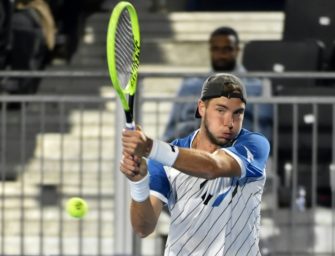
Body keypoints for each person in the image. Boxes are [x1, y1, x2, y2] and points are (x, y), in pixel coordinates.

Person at [121, 73, 270, 255]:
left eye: (238, 113)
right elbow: (143, 227)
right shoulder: (166, 159)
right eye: (221, 110)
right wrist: (139, 182)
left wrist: (150, 147)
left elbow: (212, 167)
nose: (229, 123)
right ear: (201, 107)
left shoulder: (255, 145)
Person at [162, 26, 273, 144]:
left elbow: (263, 129)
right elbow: (173, 126)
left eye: (227, 49)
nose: (221, 55)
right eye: (216, 49)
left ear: (237, 50)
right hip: (193, 148)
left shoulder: (257, 86)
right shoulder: (191, 85)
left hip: (236, 150)